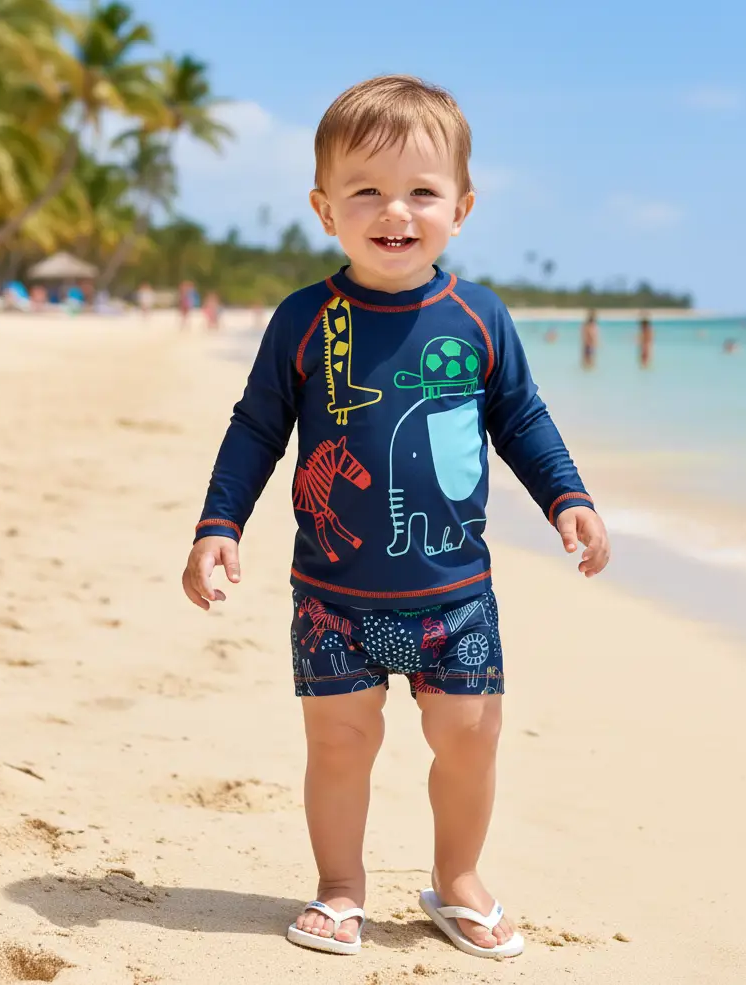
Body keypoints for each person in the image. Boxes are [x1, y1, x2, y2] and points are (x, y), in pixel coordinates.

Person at [181, 75, 610, 961]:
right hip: (333, 593)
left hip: (454, 593)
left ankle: (457, 880)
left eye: (421, 191)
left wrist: (568, 497)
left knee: (469, 738)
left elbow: (520, 419)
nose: (395, 211)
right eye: (366, 190)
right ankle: (340, 888)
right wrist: (218, 524)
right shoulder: (305, 319)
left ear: (461, 205)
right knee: (339, 744)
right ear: (323, 206)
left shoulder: (479, 316)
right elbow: (258, 427)